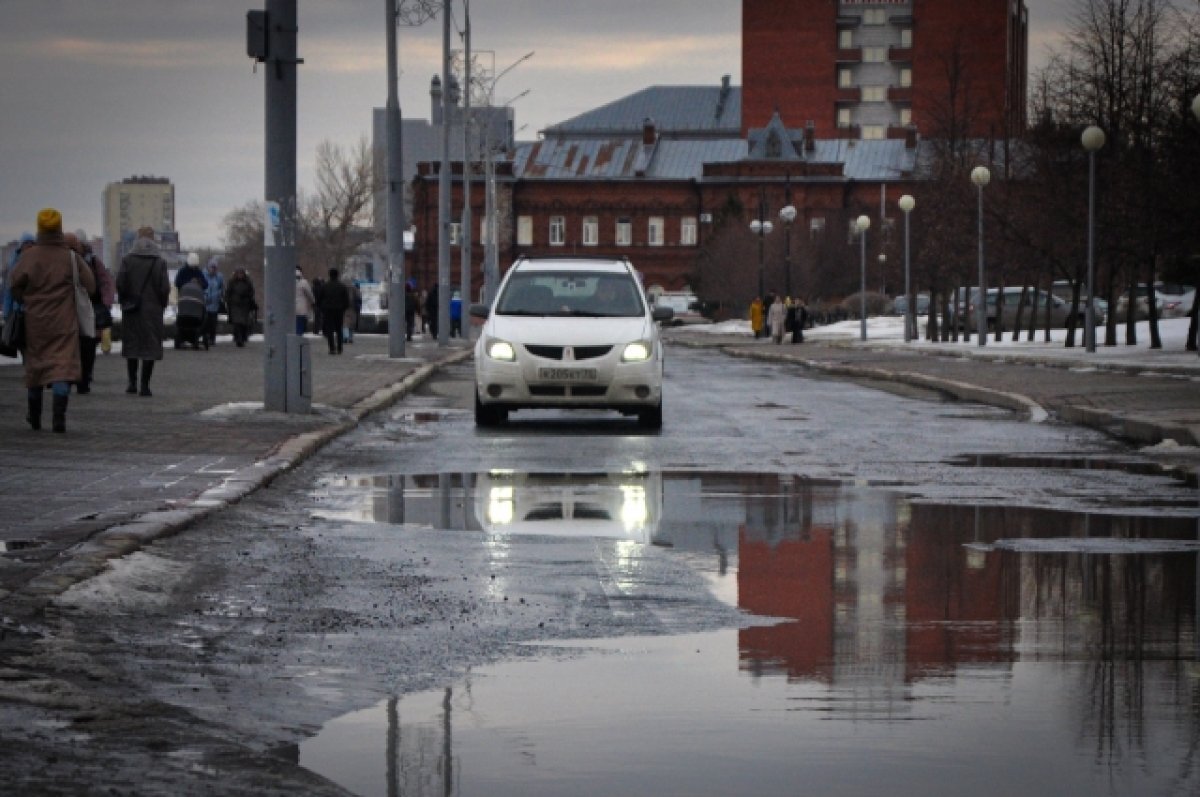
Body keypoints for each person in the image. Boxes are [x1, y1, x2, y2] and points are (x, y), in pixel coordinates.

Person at [9, 208, 95, 432]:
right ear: (59, 229)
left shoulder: (29, 257)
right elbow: (91, 285)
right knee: (62, 368)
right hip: (64, 323)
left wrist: (29, 298)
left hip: (35, 323)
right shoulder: (70, 258)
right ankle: (59, 418)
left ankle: (35, 417)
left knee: (36, 368)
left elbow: (14, 285)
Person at [116, 226, 171, 397]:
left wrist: (125, 300)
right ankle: (145, 386)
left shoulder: (127, 259)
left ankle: (131, 382)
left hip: (132, 308)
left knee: (132, 344)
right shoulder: (159, 262)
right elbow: (164, 287)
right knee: (150, 346)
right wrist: (161, 304)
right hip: (152, 310)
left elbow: (120, 283)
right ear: (153, 239)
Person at [64, 233, 100, 393]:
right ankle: (83, 380)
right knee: (85, 344)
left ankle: (62, 379)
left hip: (54, 311)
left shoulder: (46, 258)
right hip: (78, 308)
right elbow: (92, 286)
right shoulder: (79, 260)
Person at [82, 240, 115, 356]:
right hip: (90, 301)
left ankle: (99, 347)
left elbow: (106, 282)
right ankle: (99, 347)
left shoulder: (95, 262)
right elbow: (106, 282)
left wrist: (106, 302)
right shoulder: (94, 262)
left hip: (95, 301)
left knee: (99, 325)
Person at [319, 268, 351, 354]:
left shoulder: (325, 286)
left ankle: (332, 348)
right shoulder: (342, 286)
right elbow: (346, 300)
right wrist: (343, 308)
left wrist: (322, 308)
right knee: (339, 329)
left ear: (330, 275)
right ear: (338, 275)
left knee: (329, 329)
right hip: (339, 310)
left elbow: (319, 299)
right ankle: (340, 348)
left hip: (328, 310)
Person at [224, 268, 256, 347]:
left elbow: (251, 292)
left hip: (244, 305)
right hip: (234, 305)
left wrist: (247, 298)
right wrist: (228, 300)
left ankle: (242, 337)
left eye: (241, 274)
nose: (240, 275)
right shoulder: (232, 282)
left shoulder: (248, 282)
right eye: (239, 274)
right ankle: (239, 339)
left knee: (243, 323)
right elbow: (228, 292)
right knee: (237, 323)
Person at [202, 260, 224, 347]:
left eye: (215, 268)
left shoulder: (219, 277)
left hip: (215, 303)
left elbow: (221, 288)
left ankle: (212, 338)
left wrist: (218, 294)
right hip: (205, 303)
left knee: (213, 322)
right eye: (212, 267)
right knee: (205, 322)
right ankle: (205, 337)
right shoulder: (204, 275)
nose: (213, 270)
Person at [294, 268, 316, 335]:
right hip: (301, 308)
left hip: (289, 309)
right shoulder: (304, 282)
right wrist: (313, 301)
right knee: (300, 326)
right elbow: (309, 294)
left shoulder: (287, 283)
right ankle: (298, 339)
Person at [345, 280, 361, 344]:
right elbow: (359, 299)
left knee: (345, 324)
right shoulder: (355, 289)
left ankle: (346, 337)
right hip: (353, 309)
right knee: (352, 324)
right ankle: (350, 338)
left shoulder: (343, 289)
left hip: (345, 309)